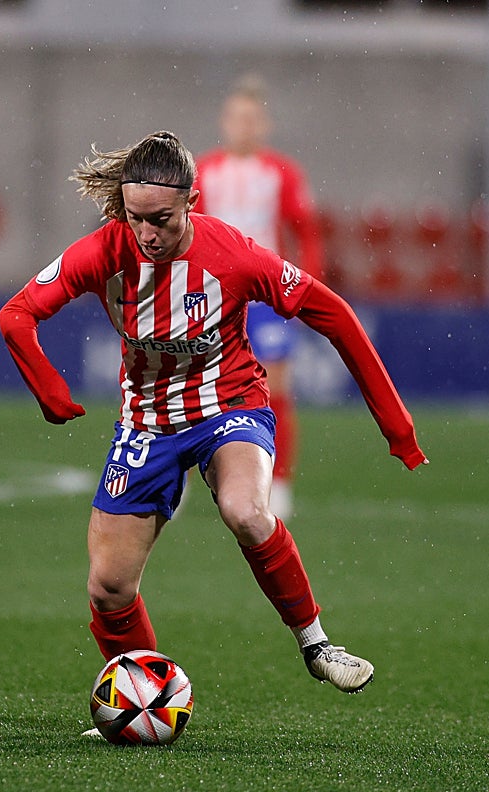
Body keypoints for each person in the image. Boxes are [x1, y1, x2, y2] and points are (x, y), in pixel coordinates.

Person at [0, 132, 426, 723]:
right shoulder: (103, 251)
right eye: (135, 217)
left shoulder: (235, 256)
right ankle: (146, 700)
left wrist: (396, 426)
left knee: (245, 510)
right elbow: (16, 315)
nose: (146, 233)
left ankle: (317, 645)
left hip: (229, 406)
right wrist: (48, 389)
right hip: (147, 423)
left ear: (191, 202)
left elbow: (336, 315)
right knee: (108, 587)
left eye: (161, 219)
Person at [194, 78, 325, 518]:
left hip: (266, 297)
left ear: (264, 124)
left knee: (274, 388)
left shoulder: (282, 173)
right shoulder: (203, 172)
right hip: (213, 297)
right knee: (193, 387)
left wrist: (304, 290)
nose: (243, 126)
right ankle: (186, 476)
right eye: (236, 118)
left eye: (251, 119)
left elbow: (307, 232)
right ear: (224, 122)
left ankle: (278, 480)